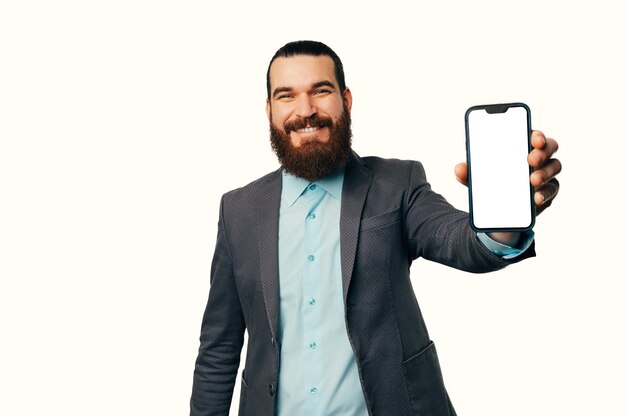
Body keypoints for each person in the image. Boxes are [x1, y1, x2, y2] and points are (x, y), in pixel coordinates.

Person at [190, 40, 561, 416]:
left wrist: (505, 222)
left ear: (346, 99)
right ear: (269, 110)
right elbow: (219, 347)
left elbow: (456, 239)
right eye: (287, 96)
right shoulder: (239, 209)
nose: (305, 111)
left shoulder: (397, 184)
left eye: (321, 91)